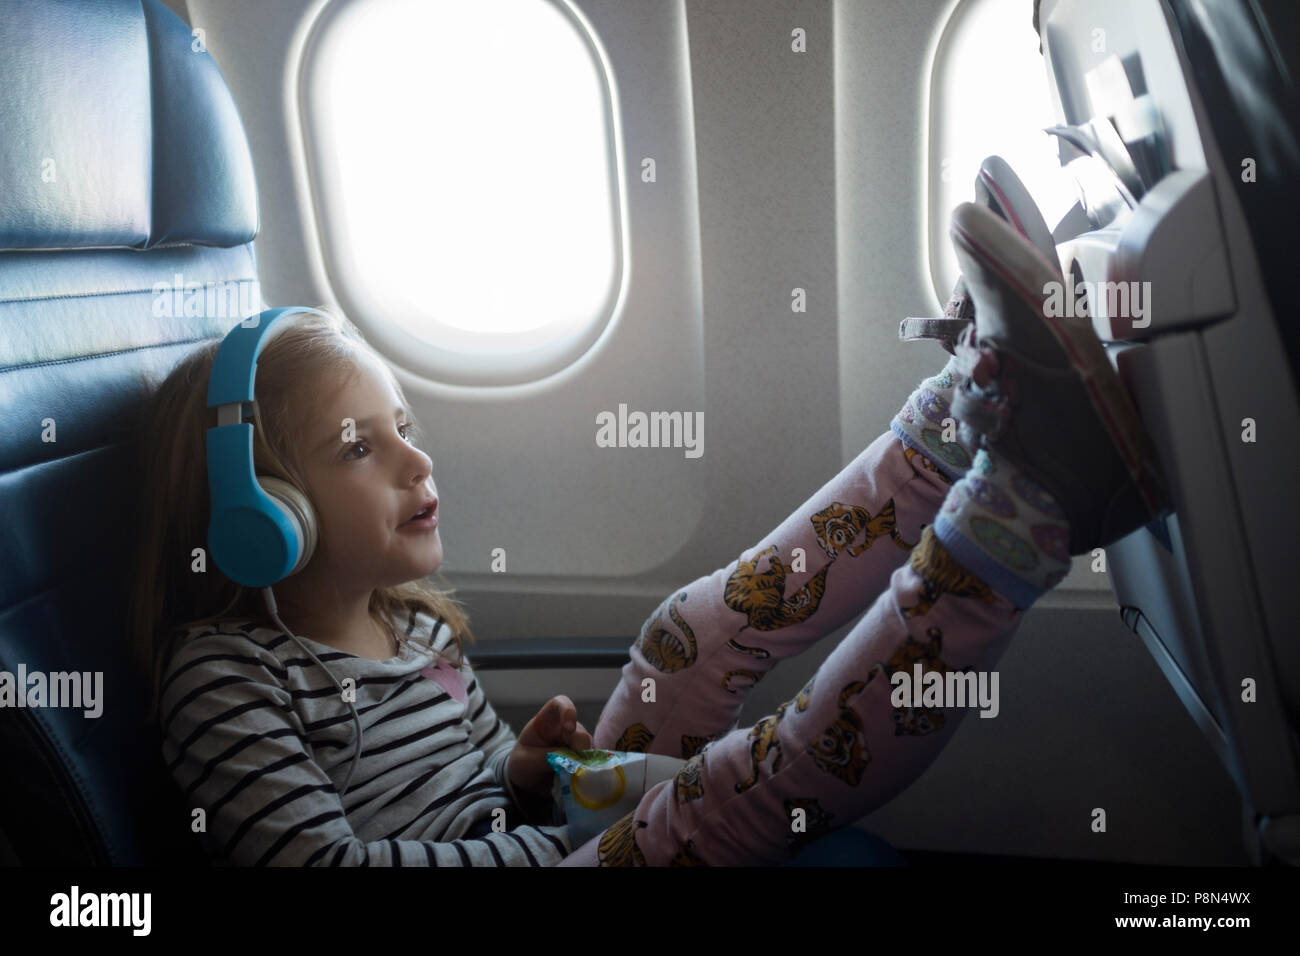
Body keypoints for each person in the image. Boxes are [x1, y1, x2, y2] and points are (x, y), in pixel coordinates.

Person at [131, 199, 1168, 866]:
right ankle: (1030, 510)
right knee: (725, 793)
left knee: (684, 633)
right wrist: (558, 842)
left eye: (409, 427)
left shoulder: (410, 630)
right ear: (258, 512)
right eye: (361, 447)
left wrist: (523, 776)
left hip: (539, 842)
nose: (417, 460)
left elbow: (468, 791)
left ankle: (956, 424)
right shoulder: (226, 677)